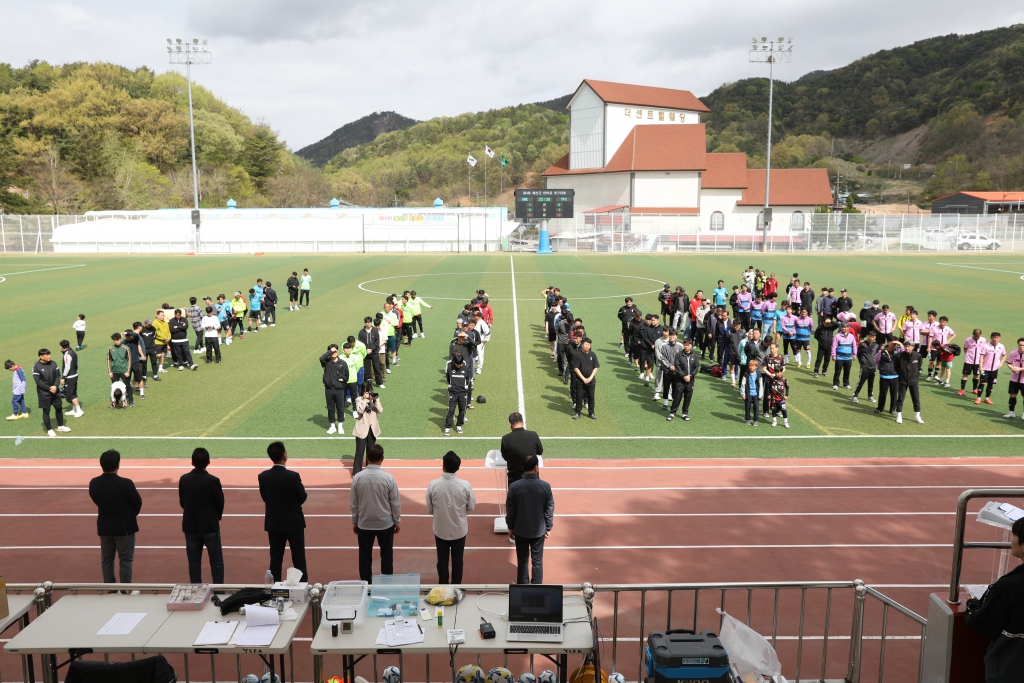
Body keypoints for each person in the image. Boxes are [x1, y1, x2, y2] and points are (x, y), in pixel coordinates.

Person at [965, 517, 1024, 680]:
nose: (1011, 540)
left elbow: (985, 623)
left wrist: (973, 604)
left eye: (1014, 536)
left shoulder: (1009, 586)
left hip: (1011, 669)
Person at [89, 449, 142, 586]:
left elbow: (96, 499)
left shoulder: (94, 483)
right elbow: (137, 503)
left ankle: (111, 590)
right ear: (118, 464)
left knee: (107, 560)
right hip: (124, 528)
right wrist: (129, 514)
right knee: (125, 560)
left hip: (105, 526)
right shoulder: (125, 483)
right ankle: (125, 590)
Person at [258, 441, 308, 582]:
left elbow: (265, 497)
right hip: (294, 522)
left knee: (275, 558)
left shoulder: (263, 476)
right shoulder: (293, 476)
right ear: (285, 455)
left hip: (274, 523)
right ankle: (302, 589)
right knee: (298, 559)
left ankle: (274, 591)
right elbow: (302, 497)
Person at [350, 444, 401, 582]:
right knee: (387, 556)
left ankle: (366, 586)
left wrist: (355, 521)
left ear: (366, 457)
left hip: (364, 523)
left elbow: (354, 503)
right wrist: (397, 521)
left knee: (365, 556)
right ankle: (385, 586)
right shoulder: (388, 478)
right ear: (382, 458)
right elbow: (395, 503)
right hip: (385, 523)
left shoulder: (358, 478)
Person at [425, 451, 476, 584]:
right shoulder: (464, 485)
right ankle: (456, 587)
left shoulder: (433, 485)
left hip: (441, 529)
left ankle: (443, 586)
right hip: (459, 530)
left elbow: (430, 509)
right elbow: (471, 506)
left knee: (442, 559)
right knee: (458, 559)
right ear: (457, 467)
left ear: (443, 466)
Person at [178, 447, 225, 584]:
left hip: (191, 525)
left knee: (194, 563)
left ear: (192, 462)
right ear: (208, 462)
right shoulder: (213, 481)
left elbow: (183, 502)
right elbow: (220, 503)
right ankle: (219, 592)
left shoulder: (184, 479)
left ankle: (196, 591)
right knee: (216, 562)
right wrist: (215, 517)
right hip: (210, 525)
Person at [506, 454, 553, 584]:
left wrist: (510, 527)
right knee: (537, 561)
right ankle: (537, 587)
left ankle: (522, 587)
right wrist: (548, 526)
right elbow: (549, 508)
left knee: (522, 560)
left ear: (522, 467)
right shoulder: (545, 486)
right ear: (536, 467)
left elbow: (510, 509)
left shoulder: (514, 487)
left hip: (520, 529)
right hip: (539, 530)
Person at [32, 348, 69, 436]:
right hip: (44, 393)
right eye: (47, 355)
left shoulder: (53, 363)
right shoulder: (36, 366)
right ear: (41, 356)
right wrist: (49, 388)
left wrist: (55, 386)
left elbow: (58, 375)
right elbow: (38, 381)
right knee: (46, 410)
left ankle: (60, 426)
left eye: (49, 354)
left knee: (59, 407)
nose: (49, 356)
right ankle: (49, 429)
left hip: (55, 391)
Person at [501, 412, 543, 486]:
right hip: (532, 477)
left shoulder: (506, 439)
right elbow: (540, 451)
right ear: (523, 423)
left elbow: (505, 457)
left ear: (510, 425)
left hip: (514, 478)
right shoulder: (533, 435)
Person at [664, 332, 698, 421]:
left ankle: (684, 413)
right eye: (685, 345)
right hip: (680, 380)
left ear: (691, 345)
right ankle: (672, 412)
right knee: (677, 396)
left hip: (690, 381)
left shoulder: (694, 356)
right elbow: (677, 368)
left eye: (688, 345)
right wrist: (684, 376)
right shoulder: (679, 355)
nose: (686, 347)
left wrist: (690, 376)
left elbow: (696, 368)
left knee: (688, 397)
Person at [319, 344, 350, 435]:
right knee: (330, 408)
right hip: (328, 389)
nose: (333, 353)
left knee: (340, 408)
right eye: (331, 352)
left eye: (335, 351)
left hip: (339, 390)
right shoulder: (326, 362)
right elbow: (321, 358)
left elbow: (346, 376)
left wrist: (340, 384)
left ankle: (340, 426)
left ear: (338, 351)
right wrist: (329, 351)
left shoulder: (343, 363)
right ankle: (332, 426)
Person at [352, 388, 382, 475]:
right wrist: (365, 400)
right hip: (362, 430)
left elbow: (380, 410)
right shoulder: (359, 399)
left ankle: (370, 472)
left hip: (372, 430)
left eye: (370, 392)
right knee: (359, 452)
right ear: (363, 392)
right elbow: (360, 410)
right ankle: (356, 473)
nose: (369, 394)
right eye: (367, 392)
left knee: (371, 452)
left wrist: (375, 400)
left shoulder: (374, 400)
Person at [896, 342, 924, 424]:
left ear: (913, 347)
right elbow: (896, 367)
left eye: (909, 346)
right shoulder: (899, 356)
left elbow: (919, 366)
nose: (907, 348)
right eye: (905, 346)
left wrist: (915, 375)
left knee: (916, 398)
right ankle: (899, 415)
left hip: (914, 381)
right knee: (901, 398)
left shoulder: (918, 356)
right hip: (903, 381)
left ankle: (917, 416)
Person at [571, 337, 599, 420]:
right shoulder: (577, 355)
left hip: (591, 380)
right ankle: (577, 412)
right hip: (580, 380)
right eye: (585, 344)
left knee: (591, 397)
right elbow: (575, 368)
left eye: (589, 345)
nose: (587, 346)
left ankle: (591, 412)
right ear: (582, 345)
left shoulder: (593, 355)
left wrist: (590, 378)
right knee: (579, 396)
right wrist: (583, 378)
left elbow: (596, 367)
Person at [976, 332, 1007, 406]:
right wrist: (980, 367)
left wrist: (1001, 363)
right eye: (994, 337)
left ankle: (987, 398)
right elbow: (981, 357)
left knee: (991, 383)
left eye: (997, 338)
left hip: (994, 369)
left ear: (999, 338)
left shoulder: (1001, 346)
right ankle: (979, 398)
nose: (995, 339)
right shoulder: (986, 346)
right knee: (982, 383)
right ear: (991, 338)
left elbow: (1004, 355)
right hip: (985, 369)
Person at [444, 353, 472, 435]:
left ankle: (459, 425)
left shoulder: (466, 369)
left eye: (460, 364)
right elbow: (448, 378)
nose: (459, 366)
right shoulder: (450, 368)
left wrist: (465, 389)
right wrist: (451, 387)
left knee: (462, 410)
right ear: (454, 362)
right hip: (453, 392)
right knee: (451, 410)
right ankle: (447, 427)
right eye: (457, 364)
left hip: (463, 393)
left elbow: (468, 379)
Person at [852, 331, 880, 403]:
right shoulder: (862, 344)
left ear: (875, 337)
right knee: (861, 382)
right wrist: (862, 362)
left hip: (873, 367)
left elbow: (878, 356)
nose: (871, 338)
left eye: (873, 337)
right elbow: (858, 354)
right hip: (864, 367)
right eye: (870, 336)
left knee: (871, 382)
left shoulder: (876, 345)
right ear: (868, 336)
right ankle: (855, 395)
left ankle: (870, 396)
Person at [107, 333, 134, 407]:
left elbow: (129, 360)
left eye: (118, 340)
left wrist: (128, 371)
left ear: (120, 339)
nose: (116, 341)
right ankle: (116, 403)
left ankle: (131, 400)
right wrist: (110, 372)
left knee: (128, 386)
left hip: (124, 371)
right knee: (115, 388)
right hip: (114, 371)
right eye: (115, 340)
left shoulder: (125, 348)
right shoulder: (110, 349)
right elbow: (108, 360)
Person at [59, 339, 84, 418]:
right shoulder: (73, 352)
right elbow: (76, 364)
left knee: (70, 394)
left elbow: (67, 367)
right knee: (73, 392)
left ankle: (79, 410)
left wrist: (63, 377)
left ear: (61, 347)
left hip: (70, 377)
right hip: (74, 375)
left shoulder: (67, 354)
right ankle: (74, 410)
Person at [959, 329, 987, 396]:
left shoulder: (983, 340)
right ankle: (962, 389)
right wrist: (969, 355)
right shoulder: (968, 340)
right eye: (976, 336)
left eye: (978, 336)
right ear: (973, 334)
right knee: (965, 375)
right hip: (968, 361)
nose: (977, 337)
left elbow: (984, 350)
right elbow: (965, 349)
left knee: (976, 375)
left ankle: (975, 389)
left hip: (978, 361)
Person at [831, 322, 858, 390]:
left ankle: (846, 384)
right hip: (839, 357)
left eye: (845, 327)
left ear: (848, 328)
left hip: (848, 357)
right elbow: (834, 346)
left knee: (847, 371)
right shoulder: (837, 336)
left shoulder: (851, 336)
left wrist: (855, 354)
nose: (844, 328)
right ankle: (835, 384)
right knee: (837, 371)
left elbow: (854, 346)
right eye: (842, 327)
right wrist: (833, 355)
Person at [1003, 338, 1024, 419]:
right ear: (1018, 345)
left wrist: (1020, 369)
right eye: (1020, 345)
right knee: (1012, 395)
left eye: (1023, 345)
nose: (1022, 347)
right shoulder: (1013, 353)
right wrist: (1012, 367)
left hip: (1023, 380)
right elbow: (1009, 363)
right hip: (1014, 379)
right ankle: (1011, 412)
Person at [741, 359, 762, 426]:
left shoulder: (758, 375)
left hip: (756, 394)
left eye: (753, 366)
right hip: (748, 393)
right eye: (750, 366)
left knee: (756, 407)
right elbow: (743, 384)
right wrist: (743, 394)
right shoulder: (746, 374)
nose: (751, 367)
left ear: (756, 367)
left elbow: (761, 385)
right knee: (747, 407)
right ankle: (747, 419)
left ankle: (755, 420)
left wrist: (760, 394)